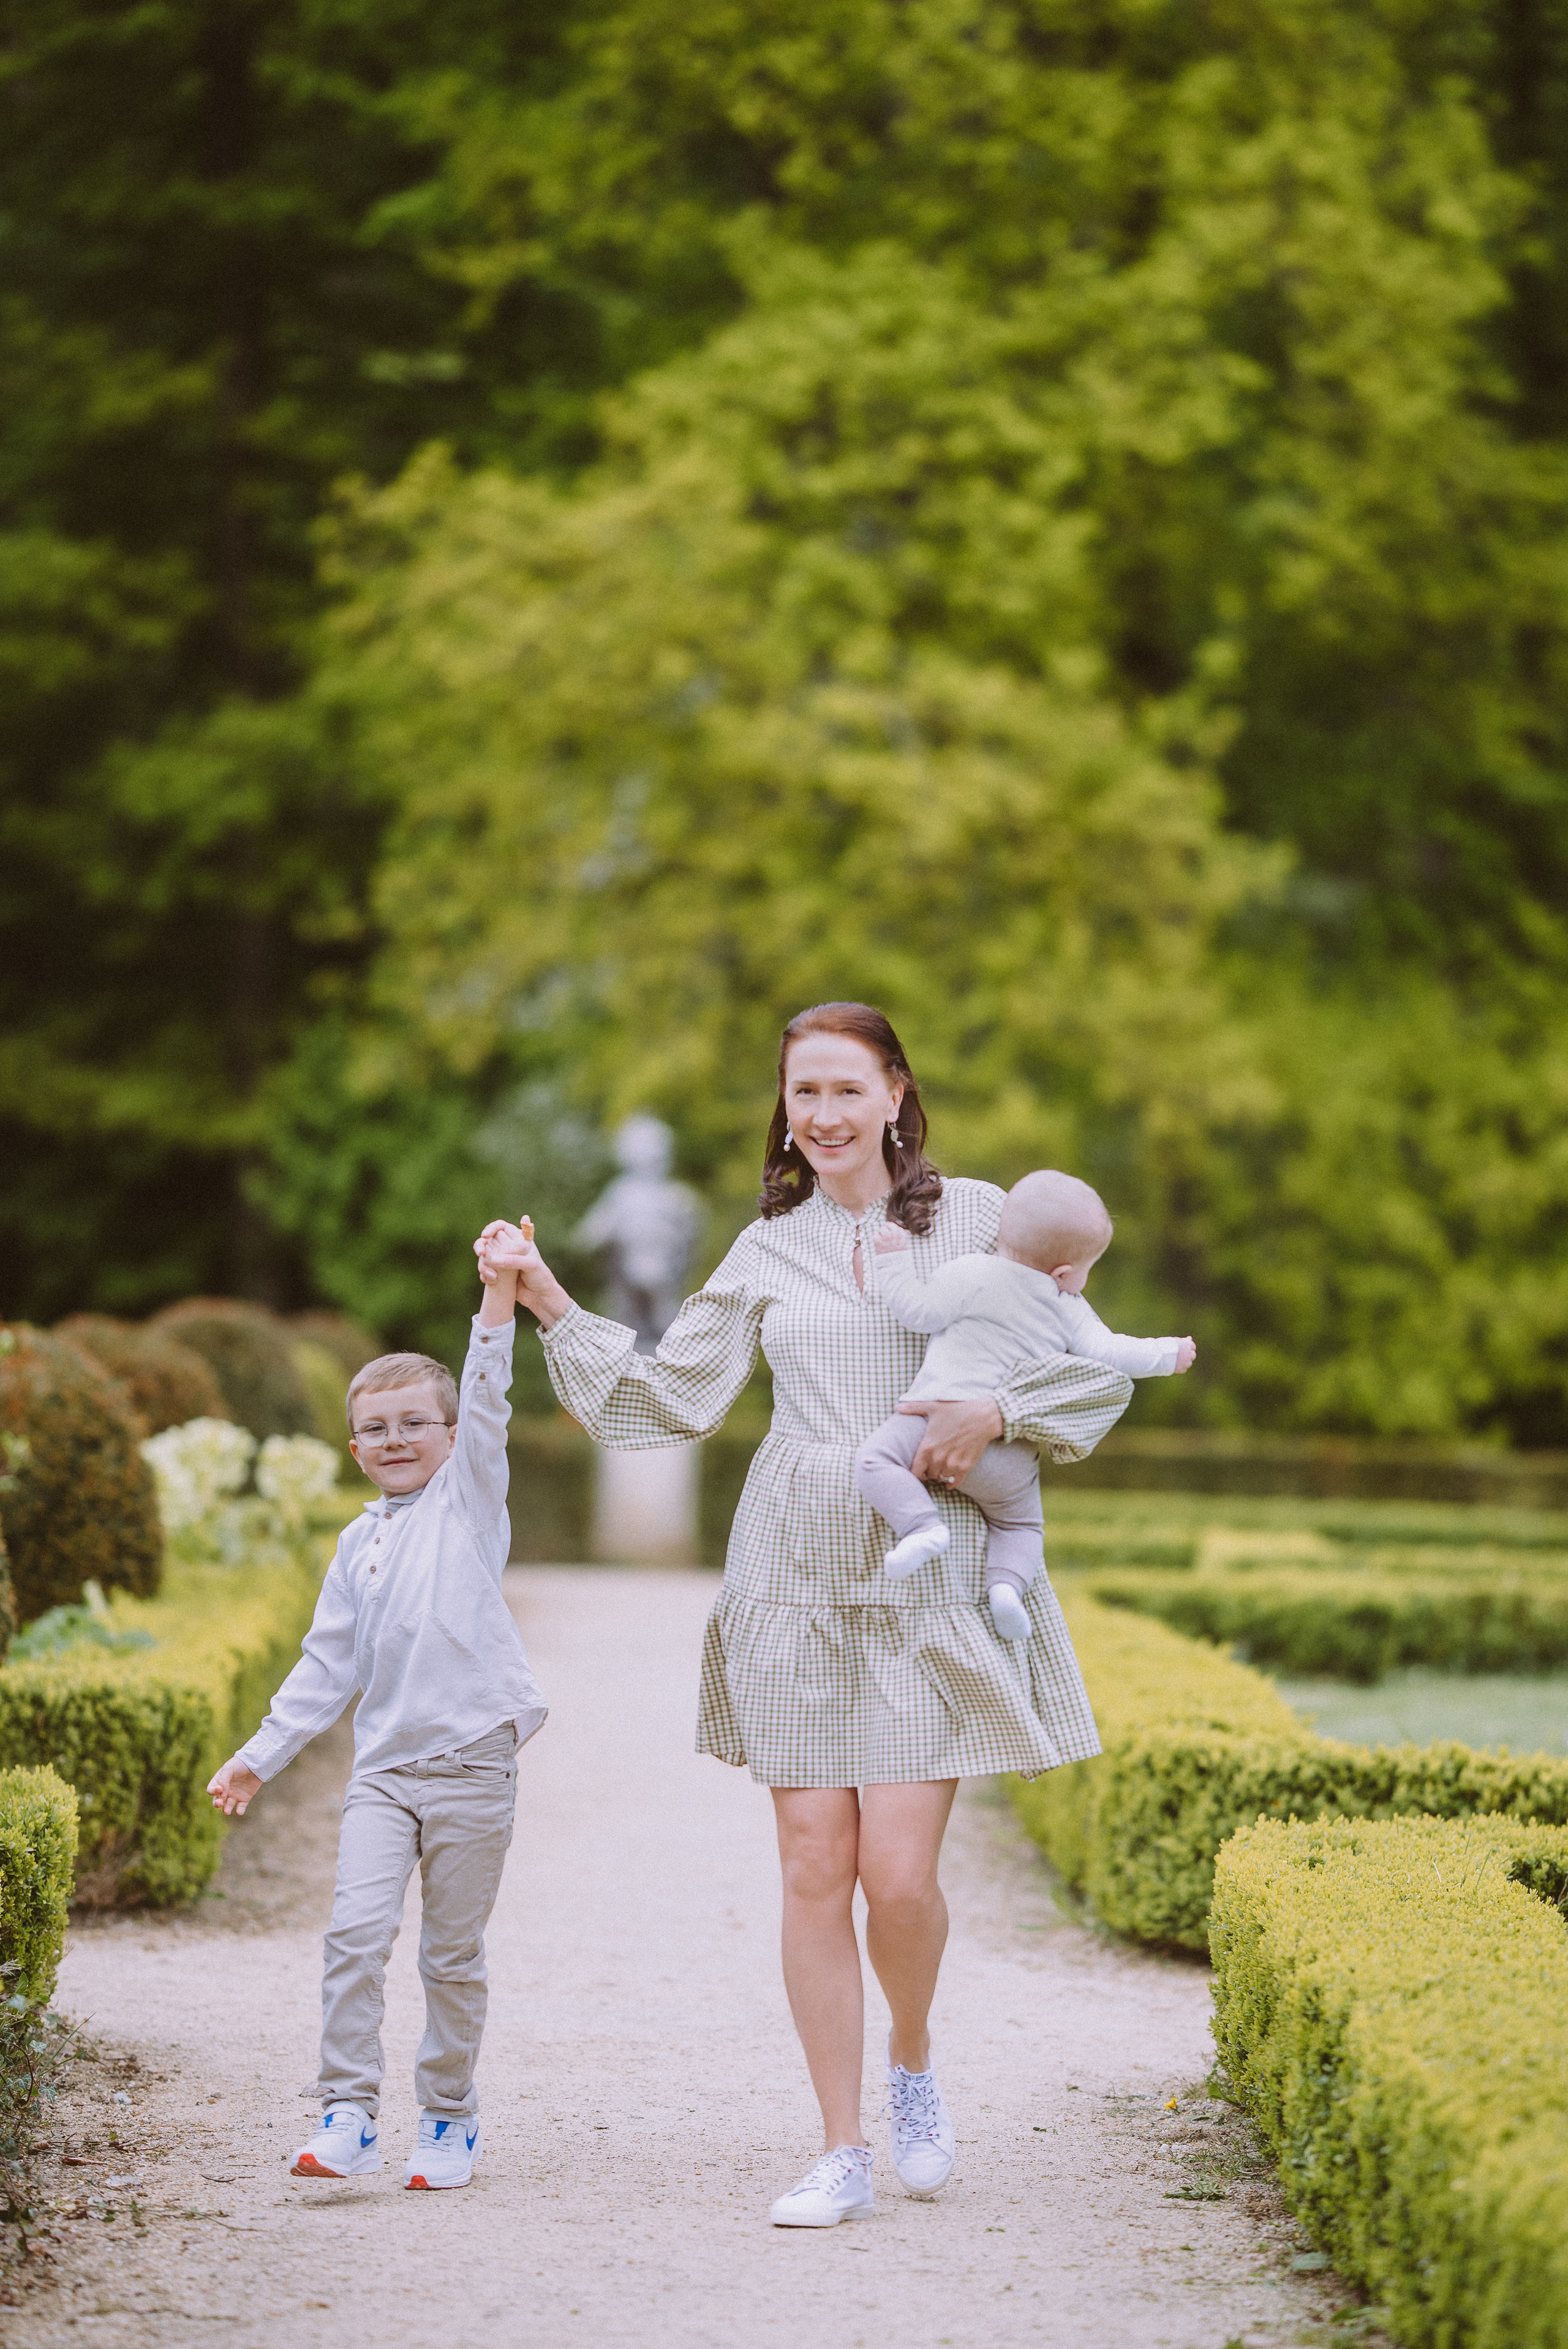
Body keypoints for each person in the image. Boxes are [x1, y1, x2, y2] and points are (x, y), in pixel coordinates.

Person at [475, 1003, 1133, 2231]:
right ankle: (840, 2145)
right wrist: (546, 1296)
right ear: (783, 1110)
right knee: (811, 1862)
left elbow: (1087, 1366)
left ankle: (915, 2060)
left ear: (894, 1094)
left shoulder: (985, 1220)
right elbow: (667, 1401)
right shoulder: (765, 1244)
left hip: (926, 1574)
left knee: (897, 1876)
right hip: (792, 1571)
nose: (820, 1116)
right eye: (800, 1094)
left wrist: (996, 1416)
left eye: (843, 1089)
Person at [205, 1229, 547, 2193]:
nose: (396, 1440)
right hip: (385, 1771)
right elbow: (326, 1665)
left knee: (450, 1952)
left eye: (415, 1424)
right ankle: (346, 2110)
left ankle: (448, 2118)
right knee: (354, 1933)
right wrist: (259, 1755)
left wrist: (497, 1297)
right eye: (378, 1429)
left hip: (474, 1764)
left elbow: (488, 1394)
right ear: (355, 1446)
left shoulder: (469, 1505)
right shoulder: (355, 1544)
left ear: (449, 1437)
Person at [857, 1167, 1196, 1642]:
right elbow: (1113, 1353)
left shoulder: (970, 1271)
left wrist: (892, 1260)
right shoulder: (1066, 1304)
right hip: (1010, 1454)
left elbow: (918, 1311)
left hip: (928, 1427)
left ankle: (922, 1528)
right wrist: (1169, 1354)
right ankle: (1006, 1589)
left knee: (874, 1460)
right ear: (1064, 1272)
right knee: (1021, 1525)